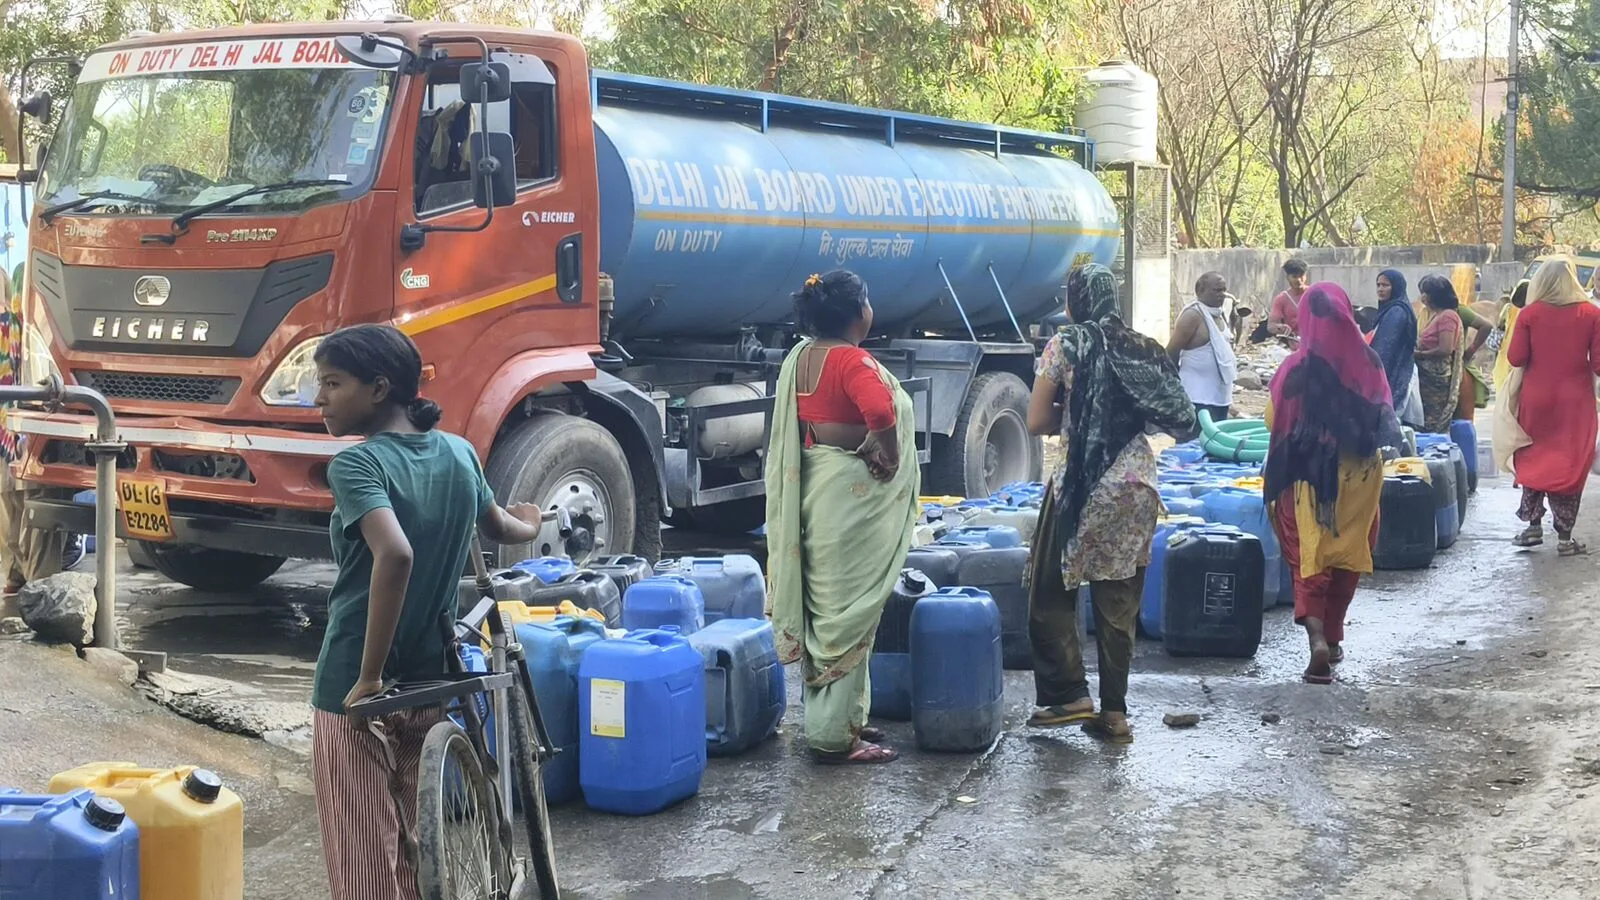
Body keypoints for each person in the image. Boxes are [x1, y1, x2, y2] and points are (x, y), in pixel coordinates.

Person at [310, 324, 548, 900]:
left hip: (353, 677)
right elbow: (505, 527)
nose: (318, 398)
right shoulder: (460, 452)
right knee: (420, 838)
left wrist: (368, 676)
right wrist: (533, 520)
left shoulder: (358, 466)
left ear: (378, 389)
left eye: (331, 383)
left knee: (364, 850)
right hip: (429, 672)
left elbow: (395, 554)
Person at [1025, 264, 1197, 743]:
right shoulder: (1143, 346)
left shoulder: (1066, 343)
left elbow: (1038, 420)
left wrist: (1080, 405)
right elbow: (1179, 415)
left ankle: (1069, 695)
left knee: (1050, 586)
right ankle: (1115, 714)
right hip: (1137, 483)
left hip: (1082, 482)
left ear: (1075, 300)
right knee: (1118, 601)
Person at [766, 270, 919, 764]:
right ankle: (836, 738)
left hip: (820, 492)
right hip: (851, 502)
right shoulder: (852, 361)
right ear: (857, 315)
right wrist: (889, 454)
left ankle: (841, 715)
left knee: (828, 617)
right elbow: (880, 412)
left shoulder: (801, 357)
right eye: (868, 301)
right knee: (850, 617)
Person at [1265, 283, 1398, 684]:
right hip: (1360, 478)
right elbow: (1386, 417)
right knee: (1347, 552)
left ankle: (1318, 640)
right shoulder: (1370, 362)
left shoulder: (1295, 368)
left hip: (1308, 478)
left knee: (1310, 554)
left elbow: (1274, 421)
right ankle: (1336, 638)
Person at [1506, 257, 1600, 556]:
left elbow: (1516, 357)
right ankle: (1565, 538)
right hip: (1576, 402)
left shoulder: (1529, 314)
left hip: (1537, 400)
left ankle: (1533, 525)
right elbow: (1598, 364)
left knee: (1534, 456)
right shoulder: (1592, 314)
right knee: (1571, 462)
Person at [0, 261, 63, 609]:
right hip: (28, 431)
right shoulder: (27, 329)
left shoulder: (19, 329)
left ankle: (20, 577)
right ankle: (37, 584)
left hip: (15, 431)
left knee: (16, 505)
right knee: (33, 505)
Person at [1167, 271, 1237, 421]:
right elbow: (1170, 353)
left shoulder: (1222, 314)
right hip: (1196, 398)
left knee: (1216, 443)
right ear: (1200, 291)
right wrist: (1175, 388)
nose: (1222, 294)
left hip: (1221, 398)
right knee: (1192, 444)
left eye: (1224, 290)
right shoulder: (1193, 316)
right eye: (1217, 290)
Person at [1413, 275, 1465, 433]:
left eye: (1425, 292)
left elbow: (1445, 349)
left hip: (1436, 380)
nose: (1422, 296)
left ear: (1435, 295)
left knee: (1433, 422)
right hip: (1427, 379)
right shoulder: (1434, 315)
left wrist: (1419, 354)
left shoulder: (1448, 316)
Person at [1368, 269, 1418, 422]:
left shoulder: (1397, 312)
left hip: (1394, 374)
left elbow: (1385, 349)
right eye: (1378, 285)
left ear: (1396, 287)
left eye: (1385, 285)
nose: (1380, 289)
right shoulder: (1389, 309)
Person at [1492, 280, 1529, 391]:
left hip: (1502, 364)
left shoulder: (1507, 310)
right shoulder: (1530, 313)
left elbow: (1499, 331)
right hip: (1519, 366)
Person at [1269, 258, 1310, 337]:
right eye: (1294, 276)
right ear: (1287, 277)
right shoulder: (1281, 299)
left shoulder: (1314, 294)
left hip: (1314, 342)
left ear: (1305, 276)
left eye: (1301, 276)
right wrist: (1281, 327)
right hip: (1294, 343)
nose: (1298, 280)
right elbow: (1271, 326)